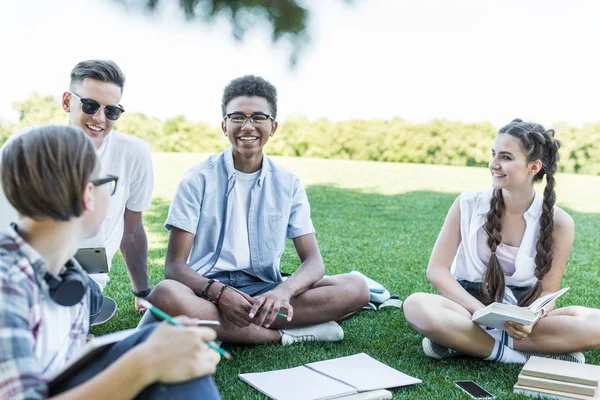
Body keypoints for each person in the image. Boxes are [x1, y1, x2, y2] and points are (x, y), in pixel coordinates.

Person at [140, 75, 369, 345]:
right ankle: (280, 336)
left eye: (258, 118)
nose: (247, 126)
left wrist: (283, 292)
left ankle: (225, 328)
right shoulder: (197, 179)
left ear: (273, 127)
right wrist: (219, 293)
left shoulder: (288, 183)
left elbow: (313, 262)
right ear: (224, 126)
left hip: (265, 289)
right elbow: (174, 266)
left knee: (356, 288)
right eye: (238, 118)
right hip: (207, 291)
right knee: (166, 294)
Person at [0, 126, 220, 399]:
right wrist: (145, 363)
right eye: (109, 183)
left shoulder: (68, 271)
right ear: (88, 195)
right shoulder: (6, 284)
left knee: (154, 340)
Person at [403, 119, 600, 364]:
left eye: (506, 157)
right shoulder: (467, 204)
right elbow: (437, 271)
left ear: (533, 167)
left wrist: (530, 319)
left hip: (522, 314)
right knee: (416, 305)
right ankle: (516, 355)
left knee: (596, 324)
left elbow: (548, 290)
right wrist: (480, 312)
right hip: (467, 308)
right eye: (494, 154)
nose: (494, 164)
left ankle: (463, 341)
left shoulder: (560, 222)